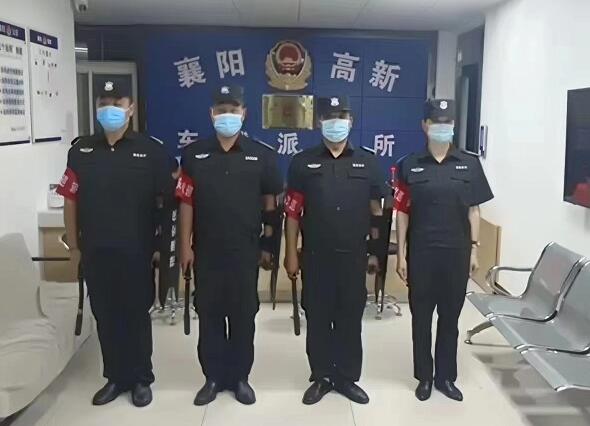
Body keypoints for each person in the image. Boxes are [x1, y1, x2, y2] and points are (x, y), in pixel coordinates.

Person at [56, 77, 175, 407]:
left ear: (130, 109)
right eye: (104, 104)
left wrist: (160, 249)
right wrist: (74, 247)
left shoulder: (151, 151)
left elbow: (166, 204)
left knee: (136, 315)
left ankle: (141, 378)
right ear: (97, 108)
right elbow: (69, 198)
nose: (110, 109)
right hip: (96, 250)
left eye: (117, 104)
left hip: (136, 251)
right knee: (106, 316)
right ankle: (115, 377)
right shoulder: (81, 151)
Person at [177, 85, 282, 406]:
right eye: (221, 110)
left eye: (233, 110)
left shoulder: (261, 155)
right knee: (209, 313)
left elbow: (271, 205)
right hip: (206, 250)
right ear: (211, 114)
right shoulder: (194, 155)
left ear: (243, 113)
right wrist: (184, 246)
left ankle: (239, 378)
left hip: (244, 251)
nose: (227, 116)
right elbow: (186, 202)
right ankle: (212, 377)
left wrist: (268, 247)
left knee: (242, 315)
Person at [284, 96, 385, 405]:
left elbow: (377, 213)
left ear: (351, 121)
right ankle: (322, 376)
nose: (336, 122)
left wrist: (375, 253)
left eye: (342, 116)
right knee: (317, 316)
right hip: (316, 255)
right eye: (329, 116)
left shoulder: (367, 162)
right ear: (319, 122)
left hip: (353, 256)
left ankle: (346, 377)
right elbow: (292, 212)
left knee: (350, 317)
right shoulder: (303, 162)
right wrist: (291, 253)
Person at [394, 99, 494, 402]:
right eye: (436, 122)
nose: (442, 127)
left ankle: (446, 377)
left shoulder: (469, 163)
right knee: (421, 317)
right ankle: (424, 377)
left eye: (447, 122)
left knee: (450, 317)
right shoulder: (409, 164)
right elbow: (402, 212)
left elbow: (474, 210)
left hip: (456, 252)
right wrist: (401, 254)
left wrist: (474, 249)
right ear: (425, 126)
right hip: (421, 252)